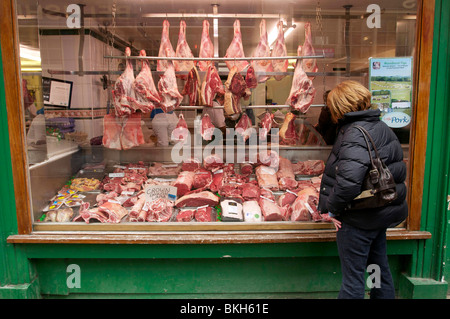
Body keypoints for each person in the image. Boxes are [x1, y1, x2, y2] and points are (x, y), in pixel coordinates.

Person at [317, 80, 408, 299]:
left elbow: (349, 182)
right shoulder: (379, 125)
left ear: (339, 108)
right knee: (377, 270)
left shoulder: (354, 133)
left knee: (353, 281)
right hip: (378, 217)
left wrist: (333, 209)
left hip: (358, 221)